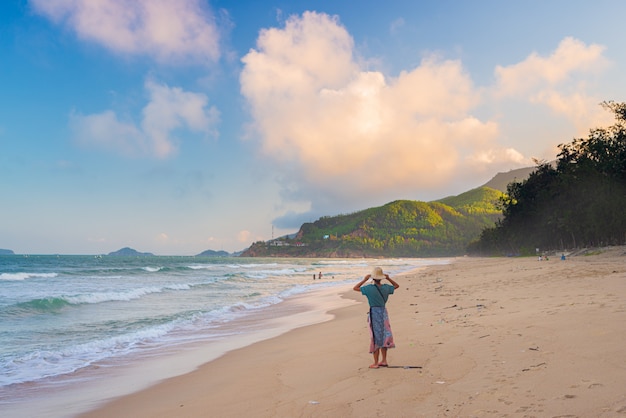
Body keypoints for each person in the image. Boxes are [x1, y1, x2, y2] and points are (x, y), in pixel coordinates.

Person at [353, 267, 400, 368]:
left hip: (374, 313)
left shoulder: (369, 288)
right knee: (384, 335)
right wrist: (388, 278)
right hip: (384, 313)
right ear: (381, 278)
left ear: (373, 278)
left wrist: (365, 279)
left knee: (375, 337)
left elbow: (355, 288)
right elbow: (396, 286)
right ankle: (384, 360)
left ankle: (375, 363)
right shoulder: (386, 287)